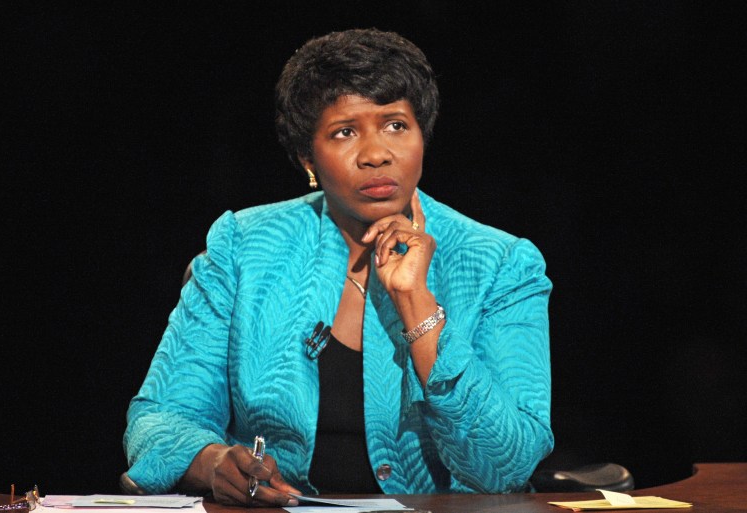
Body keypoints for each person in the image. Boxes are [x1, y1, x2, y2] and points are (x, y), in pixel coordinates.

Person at [124, 28, 553, 506]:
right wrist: (214, 463)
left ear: (421, 137)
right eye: (345, 131)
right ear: (308, 157)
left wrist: (416, 305)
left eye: (395, 125)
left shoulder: (500, 264)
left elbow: (507, 465)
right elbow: (160, 417)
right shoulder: (244, 247)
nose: (376, 154)